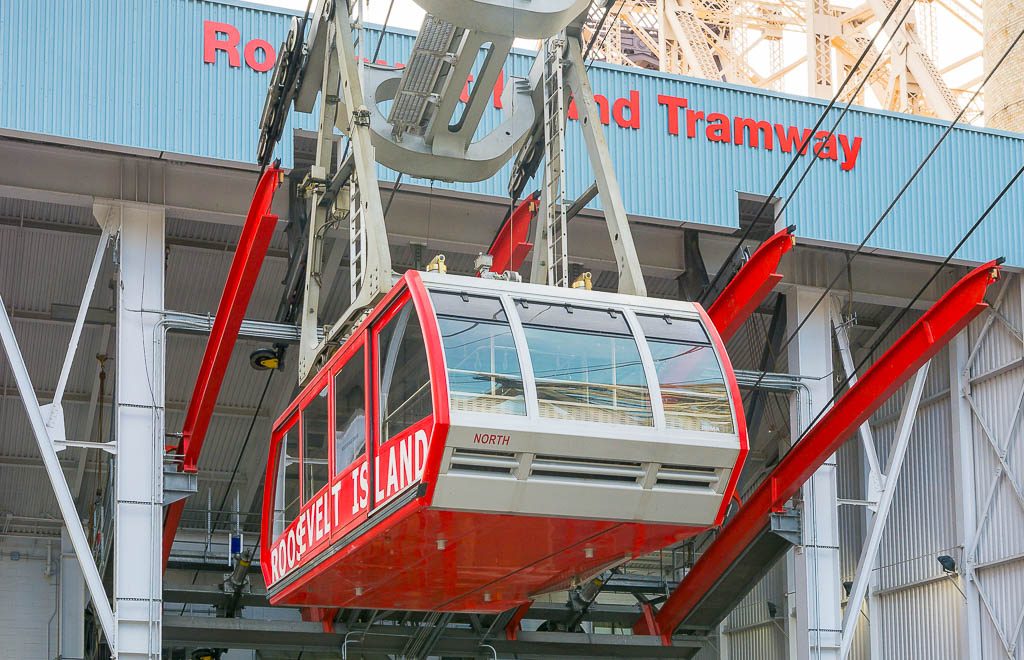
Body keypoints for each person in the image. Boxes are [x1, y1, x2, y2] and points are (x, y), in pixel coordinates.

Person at [335, 386, 365, 469]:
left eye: (355, 398)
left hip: (355, 463)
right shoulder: (349, 420)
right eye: (352, 399)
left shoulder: (362, 417)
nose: (353, 402)